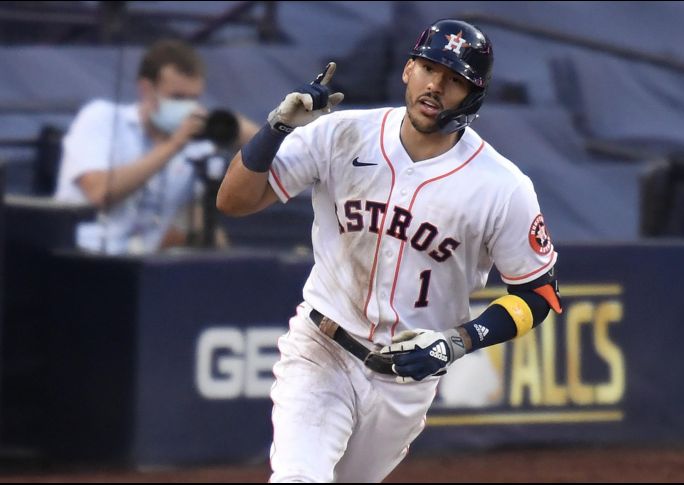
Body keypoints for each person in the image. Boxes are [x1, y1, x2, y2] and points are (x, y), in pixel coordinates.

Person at [217, 19, 562, 483]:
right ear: (407, 70)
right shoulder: (342, 134)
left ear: (473, 95)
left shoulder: (502, 187)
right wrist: (275, 129)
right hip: (322, 347)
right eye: (428, 68)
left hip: (405, 378)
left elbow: (539, 295)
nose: (436, 86)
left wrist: (459, 341)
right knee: (299, 477)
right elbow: (233, 201)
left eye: (455, 79)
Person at [55, 39, 259, 254]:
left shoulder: (196, 147)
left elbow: (277, 156)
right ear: (146, 89)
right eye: (177, 98)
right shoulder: (102, 118)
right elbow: (99, 191)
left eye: (194, 99)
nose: (187, 107)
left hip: (141, 267)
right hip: (80, 255)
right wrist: (173, 145)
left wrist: (232, 125)